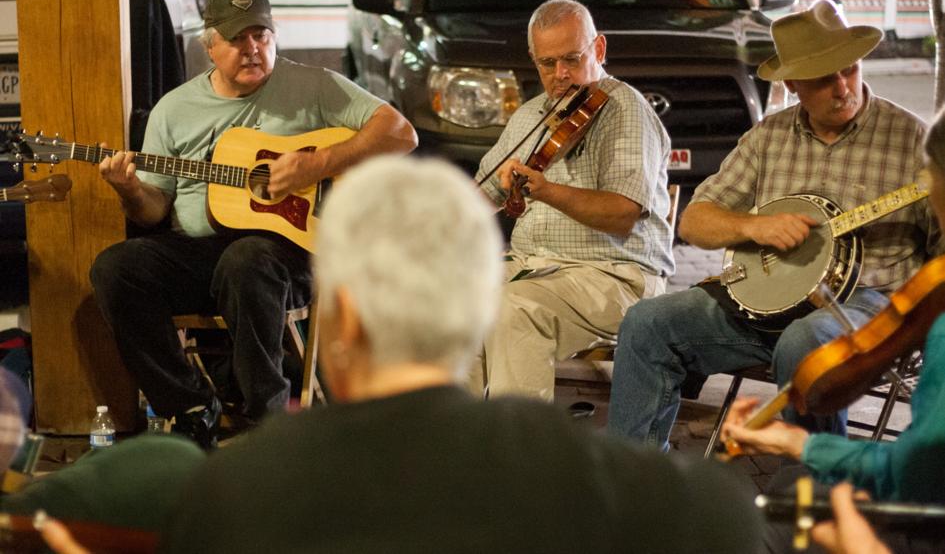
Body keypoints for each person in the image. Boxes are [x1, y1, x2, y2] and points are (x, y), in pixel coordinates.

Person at [160, 155, 761, 554]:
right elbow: (728, 521)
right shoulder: (654, 497)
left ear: (341, 318)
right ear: (481, 303)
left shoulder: (229, 495)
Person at [90, 0, 417, 448]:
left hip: (286, 252)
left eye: (261, 35)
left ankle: (270, 422)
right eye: (237, 39)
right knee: (115, 267)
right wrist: (129, 190)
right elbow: (153, 210)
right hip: (198, 251)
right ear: (209, 46)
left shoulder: (312, 85)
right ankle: (190, 407)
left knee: (246, 260)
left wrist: (315, 163)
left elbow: (401, 134)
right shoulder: (174, 109)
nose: (252, 49)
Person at [607, 0, 940, 450]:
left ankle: (807, 495)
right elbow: (695, 222)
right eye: (824, 78)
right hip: (760, 304)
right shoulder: (769, 136)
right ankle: (634, 482)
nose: (843, 87)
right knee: (647, 322)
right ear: (795, 84)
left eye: (850, 69)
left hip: (864, 307)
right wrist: (754, 228)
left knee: (804, 344)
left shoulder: (914, 140)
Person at [720, 107, 945, 553]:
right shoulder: (770, 133)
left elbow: (910, 479)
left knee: (779, 511)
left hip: (922, 522)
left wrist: (805, 447)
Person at [471, 0, 674, 401]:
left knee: (514, 308)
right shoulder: (530, 116)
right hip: (533, 267)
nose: (561, 74)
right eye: (548, 64)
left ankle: (524, 455)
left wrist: (545, 190)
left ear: (598, 49)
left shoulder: (625, 110)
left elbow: (622, 214)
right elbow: (482, 196)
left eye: (572, 58)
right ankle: (459, 443)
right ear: (534, 60)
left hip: (614, 275)